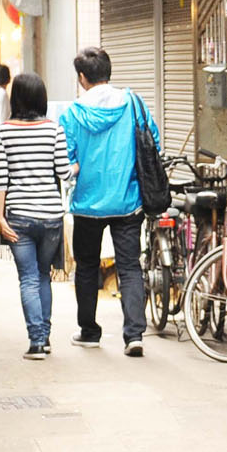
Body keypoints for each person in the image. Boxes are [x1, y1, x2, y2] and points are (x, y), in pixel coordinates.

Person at [58, 46, 152, 357]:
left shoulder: (73, 114)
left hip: (87, 204)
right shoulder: (133, 103)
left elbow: (67, 160)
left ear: (82, 78)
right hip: (129, 202)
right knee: (129, 267)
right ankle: (134, 334)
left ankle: (89, 332)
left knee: (86, 267)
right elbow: (153, 141)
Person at [0, 72, 71, 359]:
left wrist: (0, 218)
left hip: (19, 217)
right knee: (43, 277)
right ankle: (45, 338)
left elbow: (1, 178)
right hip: (51, 216)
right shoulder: (54, 130)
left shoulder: (3, 132)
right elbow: (64, 172)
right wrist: (76, 167)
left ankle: (36, 342)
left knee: (27, 279)